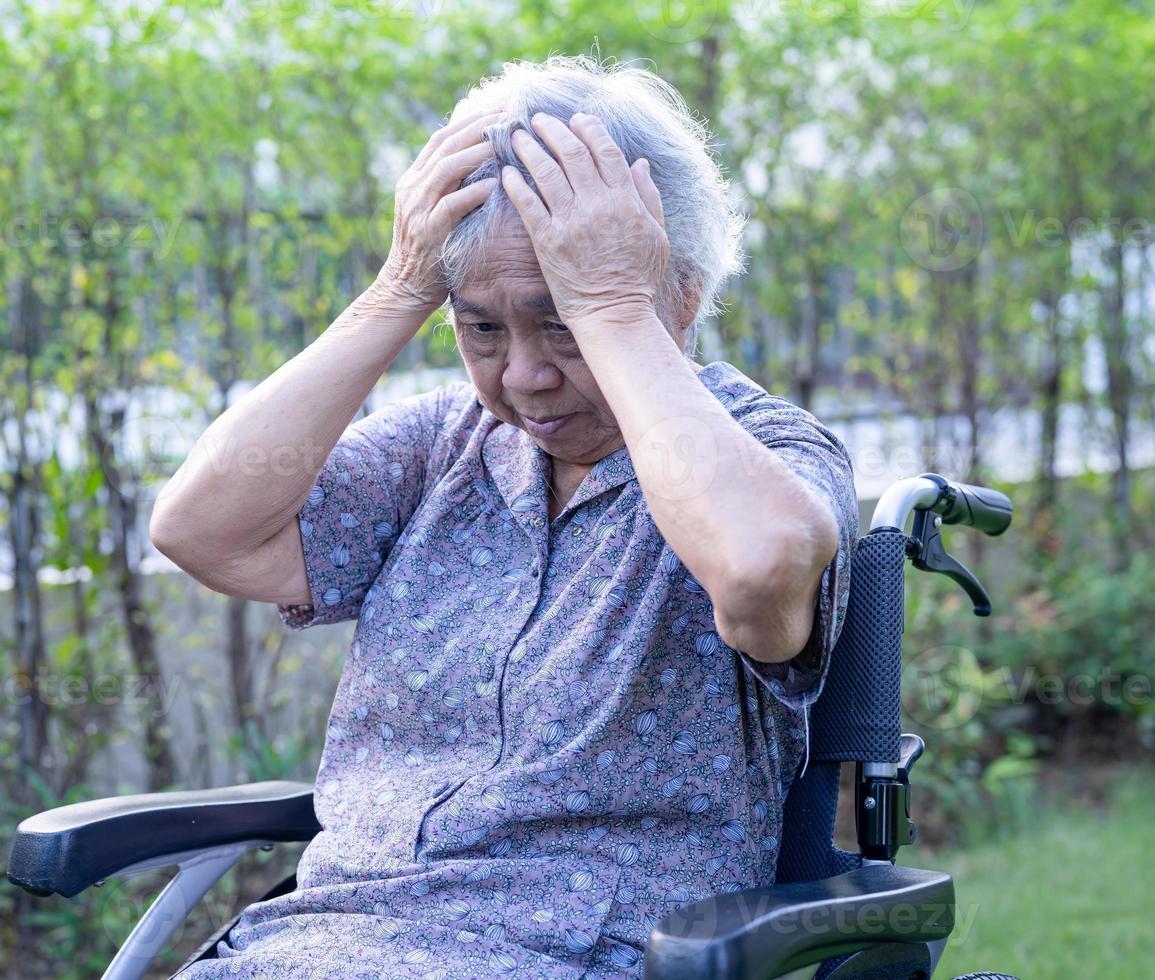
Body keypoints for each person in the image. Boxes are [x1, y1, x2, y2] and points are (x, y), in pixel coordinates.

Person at [152, 54, 858, 980]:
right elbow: (200, 530)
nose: (522, 376)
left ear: (678, 298)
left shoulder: (763, 454)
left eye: (559, 325)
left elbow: (762, 570)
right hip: (326, 943)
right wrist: (400, 289)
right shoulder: (444, 447)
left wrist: (608, 302)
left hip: (580, 953)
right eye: (481, 328)